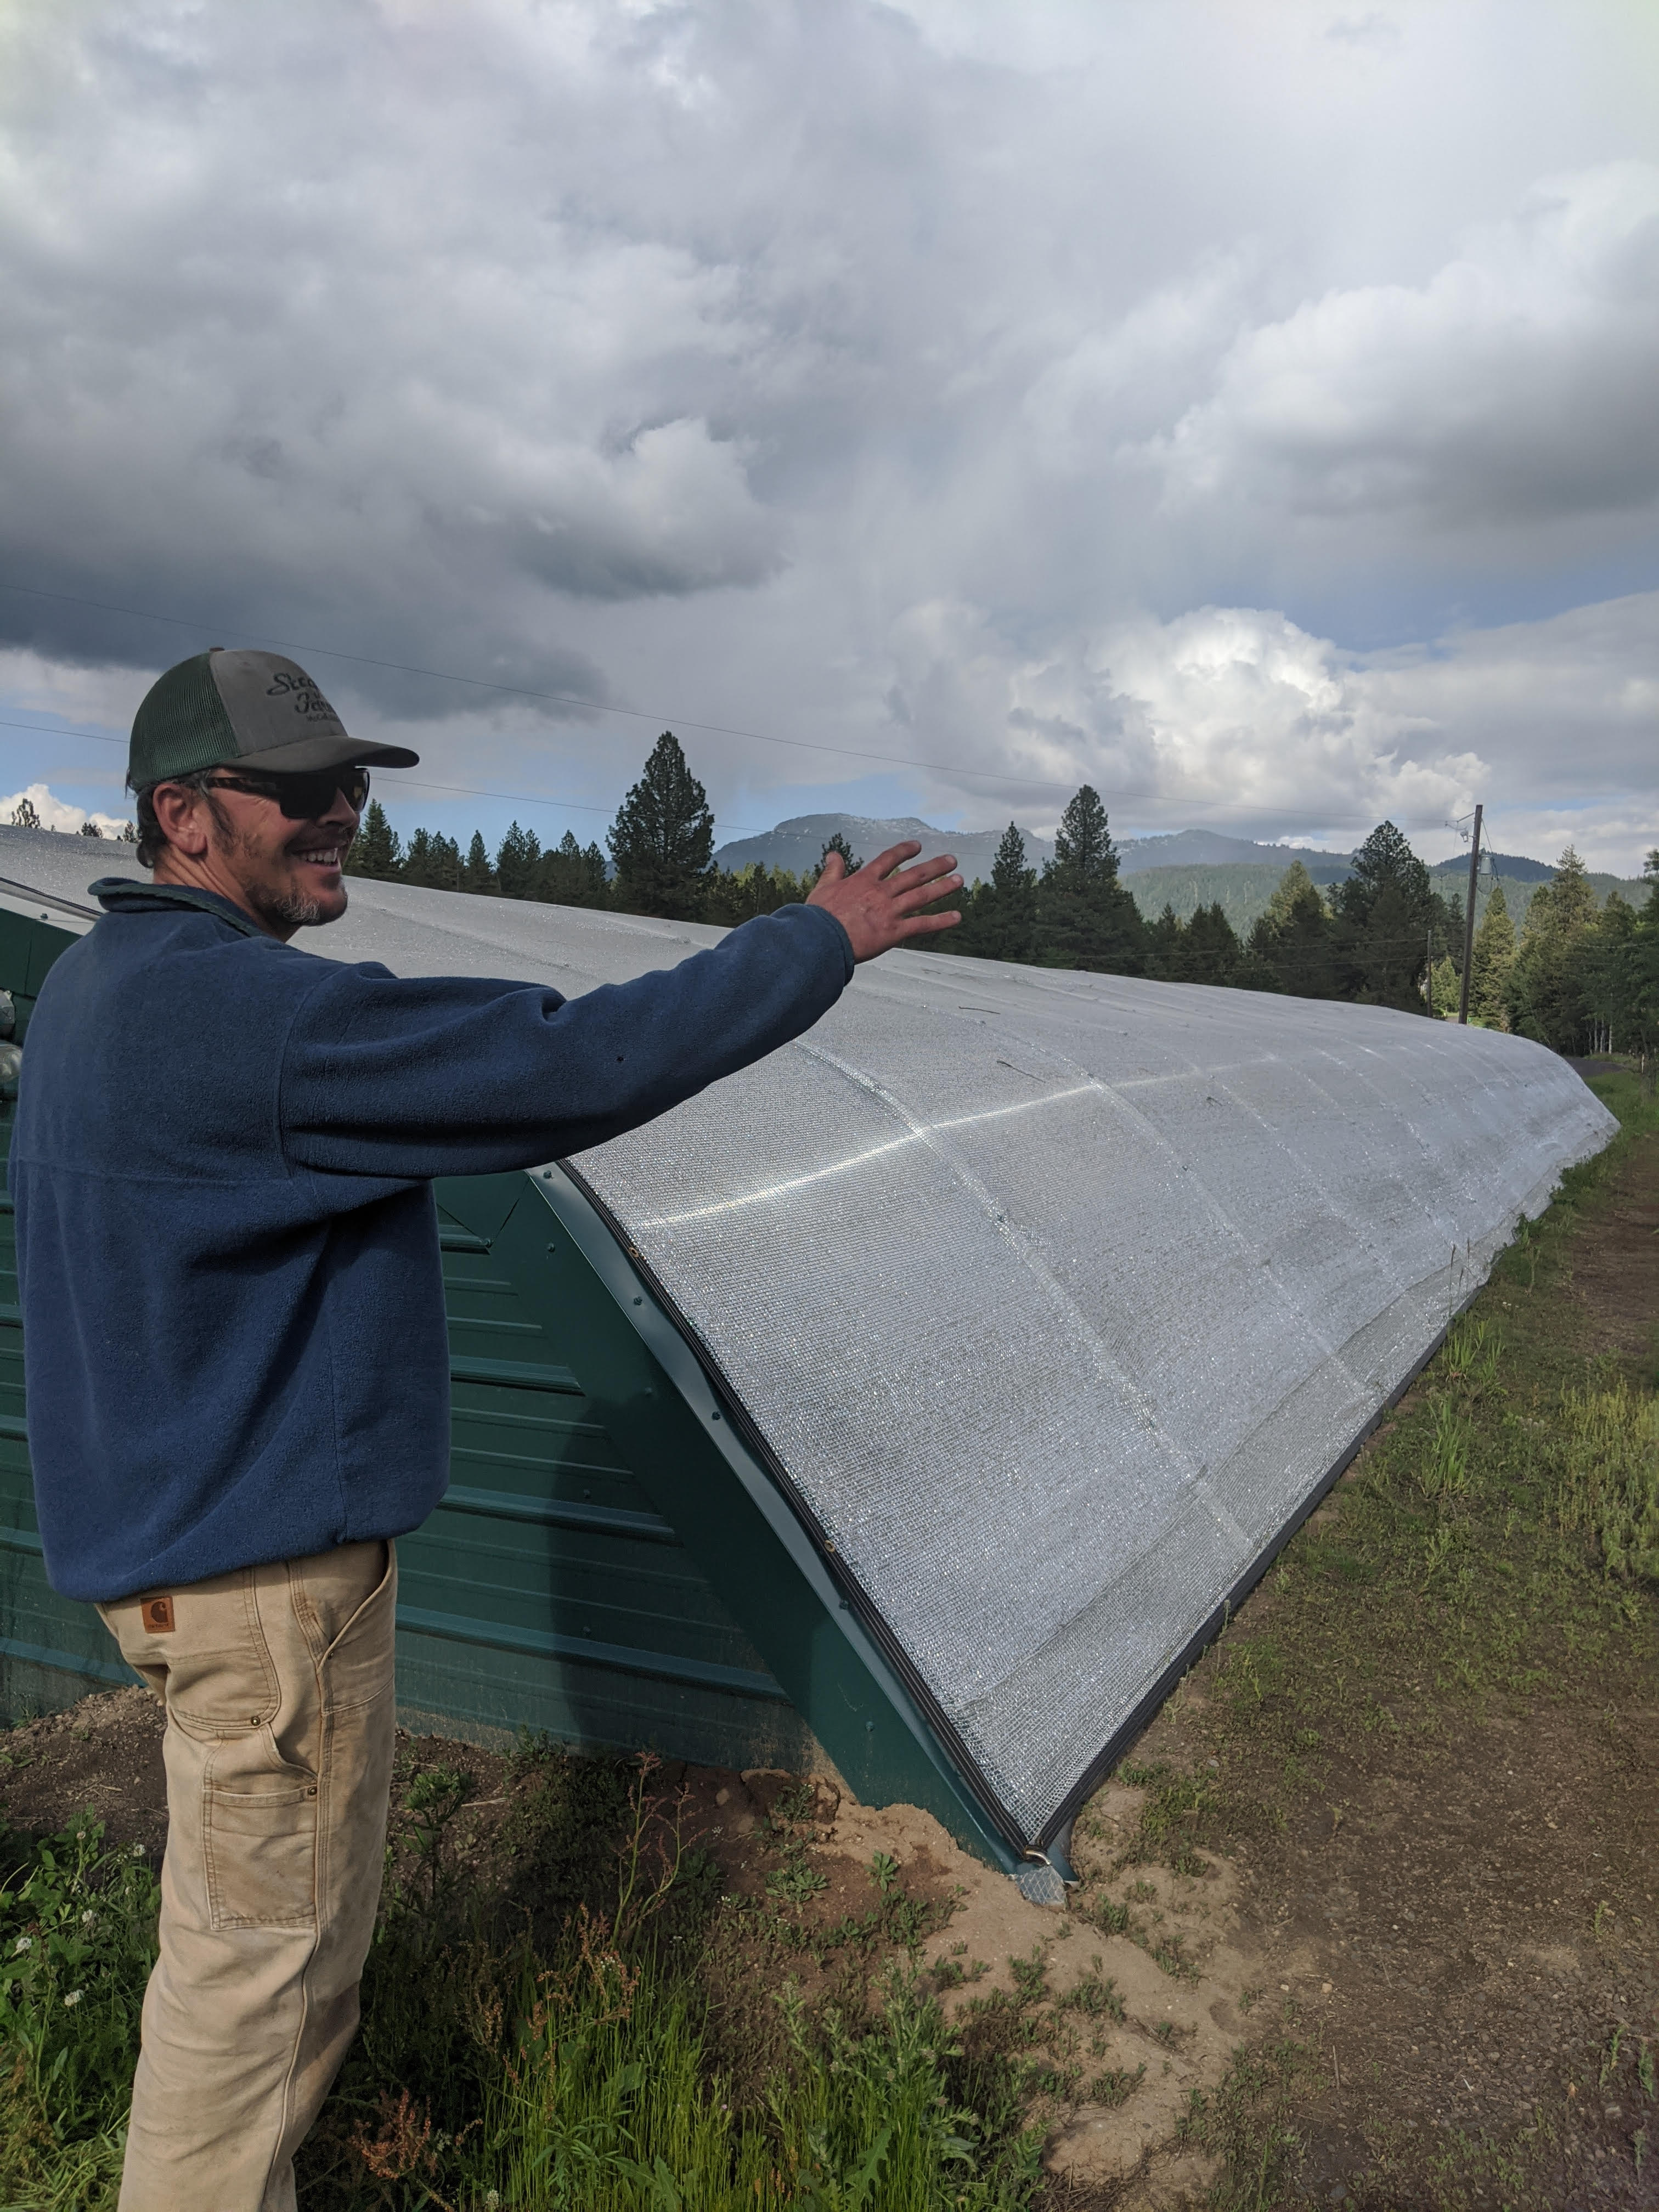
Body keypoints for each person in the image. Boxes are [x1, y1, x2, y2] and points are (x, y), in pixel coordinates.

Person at [9, 646, 961, 2212]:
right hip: (264, 1596)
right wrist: (814, 941)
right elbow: (569, 1060)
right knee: (259, 1996)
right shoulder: (252, 1021)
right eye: (301, 793)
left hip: (171, 1567)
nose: (341, 817)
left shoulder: (97, 992)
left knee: (234, 1959)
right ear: (182, 816)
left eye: (354, 787)